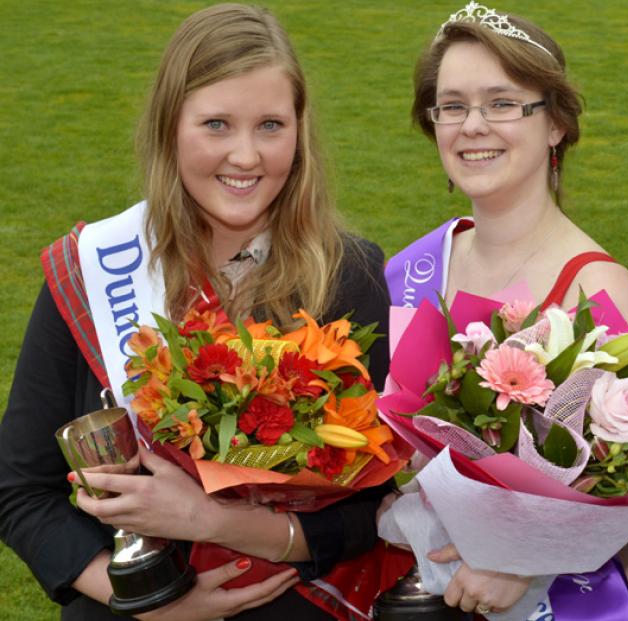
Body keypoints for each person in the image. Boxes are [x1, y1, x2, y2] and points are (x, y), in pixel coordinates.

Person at [0, 4, 394, 620]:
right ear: (169, 128)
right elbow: (21, 493)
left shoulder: (349, 275)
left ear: (300, 129)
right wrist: (147, 603)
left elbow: (375, 505)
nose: (246, 156)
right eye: (216, 124)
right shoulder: (93, 268)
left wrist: (216, 522)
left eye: (270, 125)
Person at [384, 3, 628, 618]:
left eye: (502, 103)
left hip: (568, 605)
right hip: (423, 589)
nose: (472, 126)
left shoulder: (597, 286)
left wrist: (521, 554)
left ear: (556, 123)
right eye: (452, 106)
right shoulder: (415, 269)